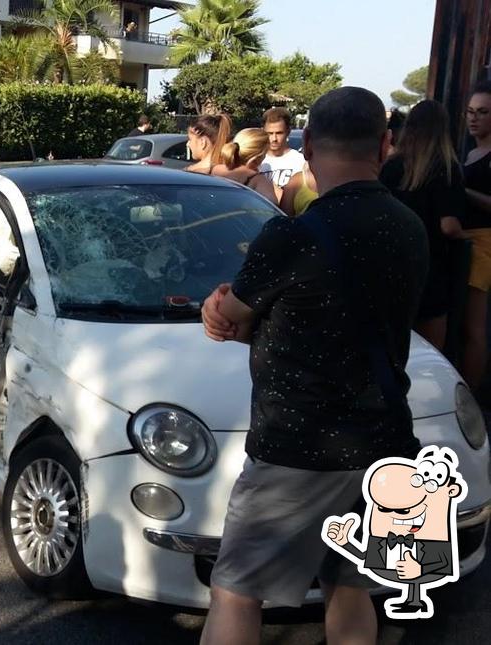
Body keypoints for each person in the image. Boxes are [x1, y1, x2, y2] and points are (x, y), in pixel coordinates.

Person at [199, 87, 429, 644]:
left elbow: (233, 314)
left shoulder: (292, 234)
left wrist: (220, 309)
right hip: (385, 444)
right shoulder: (409, 227)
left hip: (298, 446)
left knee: (236, 590)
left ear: (307, 149)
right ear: (385, 143)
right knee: (349, 589)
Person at [380, 99, 466, 351]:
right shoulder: (447, 168)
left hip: (391, 267)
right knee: (430, 356)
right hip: (432, 271)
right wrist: (467, 237)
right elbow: (449, 226)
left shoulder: (392, 167)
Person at [461, 81, 491, 390]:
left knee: (475, 326)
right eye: (470, 112)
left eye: (482, 112)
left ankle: (469, 393)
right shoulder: (469, 151)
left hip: (484, 243)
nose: (474, 118)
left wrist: (463, 192)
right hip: (463, 241)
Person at [211, 128, 278, 203]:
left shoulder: (211, 171)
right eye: (265, 153)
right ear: (257, 157)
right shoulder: (259, 181)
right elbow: (272, 209)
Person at [259, 107, 306, 200]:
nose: (274, 139)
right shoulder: (256, 162)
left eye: (279, 133)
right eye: (269, 133)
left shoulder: (301, 162)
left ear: (288, 131)